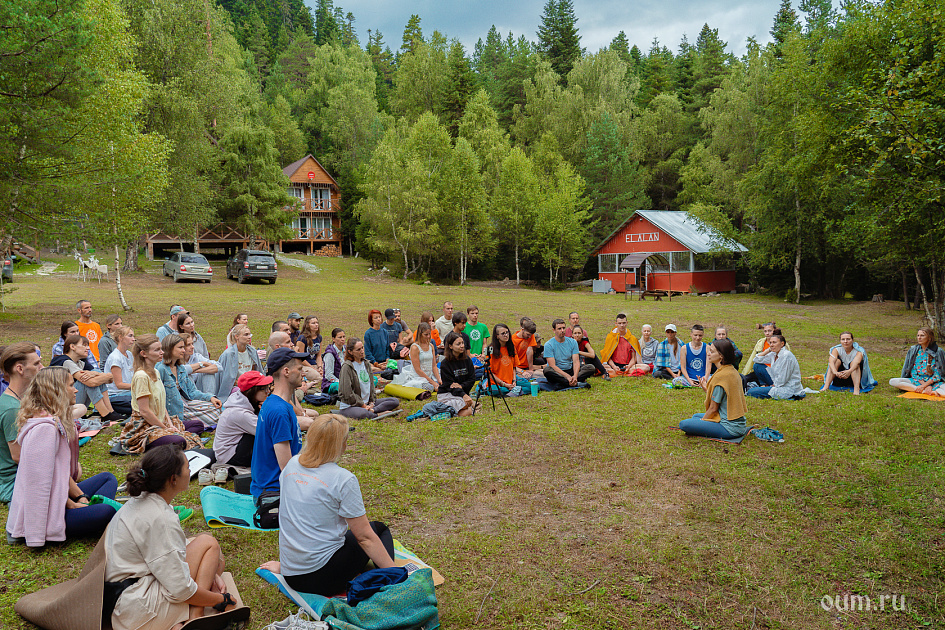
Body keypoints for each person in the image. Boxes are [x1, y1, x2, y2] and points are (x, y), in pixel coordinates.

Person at [259, 414, 396, 596]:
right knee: (378, 529)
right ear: (341, 444)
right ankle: (388, 579)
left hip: (292, 574)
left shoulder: (291, 465)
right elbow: (365, 538)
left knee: (351, 535)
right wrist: (399, 575)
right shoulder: (343, 479)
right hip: (322, 579)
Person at [106, 445, 236, 630]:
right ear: (173, 479)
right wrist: (221, 599)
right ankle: (195, 617)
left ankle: (179, 621)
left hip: (126, 598)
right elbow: (181, 589)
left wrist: (211, 574)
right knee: (209, 545)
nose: (190, 470)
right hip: (137, 608)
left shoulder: (142, 501)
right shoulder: (160, 517)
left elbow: (174, 552)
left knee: (216, 561)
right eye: (187, 466)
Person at [6, 366, 118, 547]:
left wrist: (81, 496)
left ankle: (90, 506)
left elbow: (59, 473)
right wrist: (71, 505)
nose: (75, 389)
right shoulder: (45, 429)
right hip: (47, 515)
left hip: (59, 498)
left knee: (107, 478)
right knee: (106, 510)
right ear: (56, 391)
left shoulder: (54, 420)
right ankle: (92, 511)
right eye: (71, 385)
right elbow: (41, 483)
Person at [117, 334, 203, 453]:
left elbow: (162, 406)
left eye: (161, 349)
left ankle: (171, 438)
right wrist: (165, 428)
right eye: (157, 350)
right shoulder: (141, 376)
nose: (161, 352)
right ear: (144, 354)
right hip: (146, 426)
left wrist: (169, 424)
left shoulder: (156, 372)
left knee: (198, 425)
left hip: (161, 422)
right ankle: (164, 441)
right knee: (180, 441)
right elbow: (145, 411)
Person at [251, 348, 308, 502]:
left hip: (270, 487)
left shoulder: (274, 402)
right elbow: (287, 468)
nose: (304, 373)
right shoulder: (279, 411)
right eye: (300, 369)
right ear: (286, 371)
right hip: (274, 492)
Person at [678, 338, 750, 440]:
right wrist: (707, 389)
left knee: (684, 424)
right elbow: (723, 397)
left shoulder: (721, 376)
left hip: (730, 428)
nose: (708, 354)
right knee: (695, 416)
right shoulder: (731, 370)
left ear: (721, 355)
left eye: (712, 351)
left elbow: (713, 409)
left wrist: (702, 422)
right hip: (738, 424)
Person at [0, 343, 43, 503]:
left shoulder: (19, 400)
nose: (42, 367)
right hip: (16, 485)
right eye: (36, 363)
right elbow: (18, 456)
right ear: (20, 369)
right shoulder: (11, 409)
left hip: (28, 478)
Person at [50, 335, 123, 422]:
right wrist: (102, 375)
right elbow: (91, 383)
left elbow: (110, 380)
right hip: (61, 405)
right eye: (84, 345)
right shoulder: (65, 361)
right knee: (86, 382)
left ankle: (110, 412)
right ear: (72, 347)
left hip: (74, 401)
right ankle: (105, 414)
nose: (88, 348)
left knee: (96, 374)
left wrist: (96, 373)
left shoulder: (81, 363)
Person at [157, 334, 222, 430]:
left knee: (215, 408)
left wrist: (210, 397)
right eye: (180, 347)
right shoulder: (161, 369)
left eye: (183, 347)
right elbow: (158, 398)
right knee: (214, 416)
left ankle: (192, 424)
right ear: (170, 349)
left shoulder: (180, 368)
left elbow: (192, 392)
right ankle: (189, 424)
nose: (183, 350)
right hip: (173, 409)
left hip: (186, 403)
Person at [215, 371, 271, 467]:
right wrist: (266, 411)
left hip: (231, 450)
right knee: (263, 433)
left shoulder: (242, 400)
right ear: (252, 391)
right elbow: (268, 430)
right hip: (230, 457)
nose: (268, 392)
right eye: (264, 389)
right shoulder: (240, 413)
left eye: (268, 388)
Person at [338, 338, 400, 419]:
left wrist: (371, 402)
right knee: (363, 414)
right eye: (358, 349)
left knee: (394, 401)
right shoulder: (347, 367)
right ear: (350, 352)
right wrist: (362, 405)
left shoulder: (366, 363)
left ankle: (373, 410)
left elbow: (371, 385)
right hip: (351, 405)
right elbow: (347, 393)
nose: (362, 351)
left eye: (362, 348)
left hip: (367, 403)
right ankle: (378, 414)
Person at [746, 333, 805, 400]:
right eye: (770, 343)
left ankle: (765, 388)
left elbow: (783, 380)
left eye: (774, 342)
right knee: (757, 366)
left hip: (787, 387)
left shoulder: (786, 356)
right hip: (777, 381)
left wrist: (772, 386)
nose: (771, 345)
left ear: (782, 344)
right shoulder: (774, 354)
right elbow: (756, 360)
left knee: (751, 392)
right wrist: (768, 350)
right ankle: (764, 386)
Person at [889, 327, 945, 397]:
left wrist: (927, 385)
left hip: (934, 382)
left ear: (929, 338)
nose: (919, 338)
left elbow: (938, 374)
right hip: (918, 381)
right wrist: (923, 385)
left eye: (922, 335)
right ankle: (927, 391)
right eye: (918, 335)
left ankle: (928, 390)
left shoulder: (938, 351)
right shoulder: (914, 350)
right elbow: (913, 372)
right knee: (893, 381)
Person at [543, 319, 596, 389]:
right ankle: (575, 384)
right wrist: (567, 376)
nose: (562, 330)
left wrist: (575, 376)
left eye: (563, 328)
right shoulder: (549, 344)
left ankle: (565, 383)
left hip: (570, 370)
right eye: (559, 328)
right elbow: (552, 365)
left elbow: (576, 361)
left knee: (590, 368)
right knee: (547, 370)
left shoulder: (572, 342)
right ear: (554, 330)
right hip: (558, 372)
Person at [437, 332, 478, 416]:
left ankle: (452, 411)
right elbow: (449, 385)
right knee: (469, 411)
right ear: (450, 346)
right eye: (458, 344)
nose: (462, 346)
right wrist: (463, 395)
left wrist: (461, 386)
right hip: (448, 393)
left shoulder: (467, 360)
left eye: (462, 343)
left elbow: (472, 379)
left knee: (468, 407)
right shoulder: (445, 363)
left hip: (462, 393)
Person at [216, 324, 262, 399]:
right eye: (246, 335)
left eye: (249, 334)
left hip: (250, 384)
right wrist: (244, 384)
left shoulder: (252, 351)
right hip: (235, 386)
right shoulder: (228, 354)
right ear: (236, 337)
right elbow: (227, 378)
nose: (249, 337)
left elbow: (254, 370)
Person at [392, 323, 440, 390]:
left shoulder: (431, 346)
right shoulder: (415, 347)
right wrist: (432, 382)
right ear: (420, 334)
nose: (428, 336)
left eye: (429, 334)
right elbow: (418, 370)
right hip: (418, 377)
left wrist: (439, 380)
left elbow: (434, 366)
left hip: (430, 375)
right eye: (426, 334)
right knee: (430, 388)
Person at [178, 327, 221, 395]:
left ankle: (210, 398)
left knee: (208, 372)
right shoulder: (176, 360)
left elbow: (219, 367)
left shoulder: (196, 357)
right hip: (185, 393)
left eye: (192, 344)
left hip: (199, 387)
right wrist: (201, 364)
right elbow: (181, 370)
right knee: (188, 375)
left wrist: (198, 370)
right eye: (188, 345)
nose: (192, 347)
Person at [483, 325, 521, 395]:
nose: (506, 335)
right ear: (497, 336)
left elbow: (514, 367)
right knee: (495, 390)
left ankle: (512, 390)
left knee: (530, 386)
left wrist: (514, 381)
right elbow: (489, 372)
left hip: (511, 381)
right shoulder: (491, 350)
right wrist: (504, 384)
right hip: (497, 383)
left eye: (507, 332)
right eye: (503, 333)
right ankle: (514, 391)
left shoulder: (512, 347)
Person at [105, 326, 136, 409]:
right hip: (116, 396)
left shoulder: (129, 354)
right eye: (130, 336)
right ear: (120, 337)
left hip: (128, 393)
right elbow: (119, 385)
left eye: (133, 336)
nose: (133, 339)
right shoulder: (115, 357)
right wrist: (138, 386)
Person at [322, 328, 346, 394]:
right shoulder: (329, 354)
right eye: (340, 337)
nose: (343, 339)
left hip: (347, 380)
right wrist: (341, 382)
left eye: (344, 336)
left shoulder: (347, 350)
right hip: (332, 383)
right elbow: (328, 375)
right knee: (339, 386)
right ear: (333, 339)